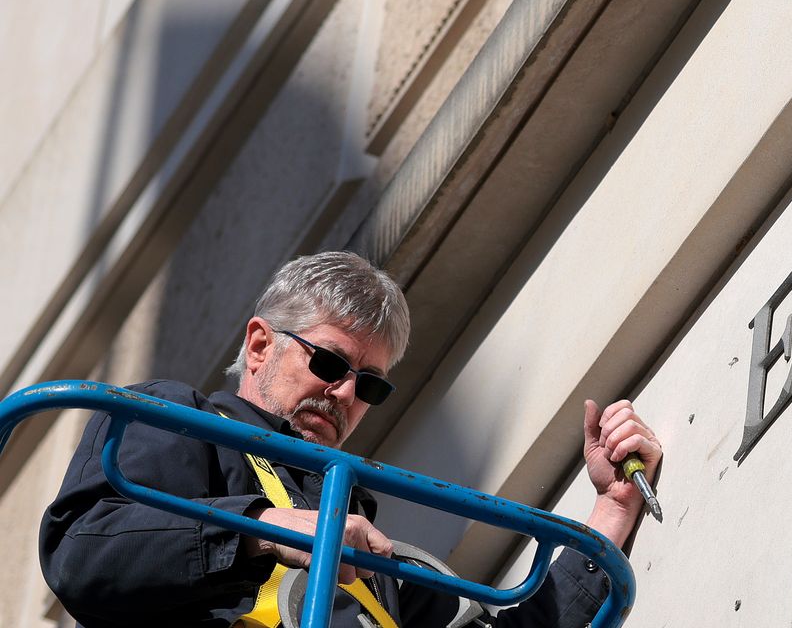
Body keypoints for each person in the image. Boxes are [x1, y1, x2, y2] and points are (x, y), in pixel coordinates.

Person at [39, 251, 662, 627]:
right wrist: (265, 530)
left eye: (370, 386)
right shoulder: (178, 420)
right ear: (260, 345)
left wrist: (611, 509)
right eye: (331, 365)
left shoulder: (372, 553)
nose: (344, 395)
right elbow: (85, 555)